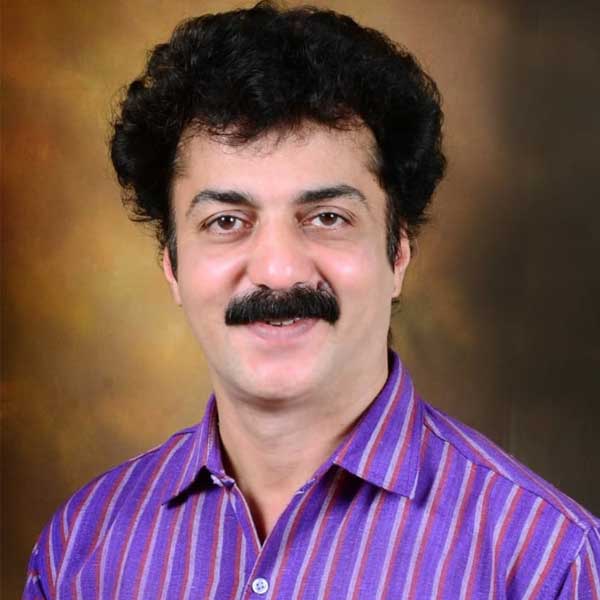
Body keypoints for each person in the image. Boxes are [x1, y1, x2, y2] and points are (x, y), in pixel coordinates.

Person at [23, 2, 599, 598]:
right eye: (226, 221)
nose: (278, 271)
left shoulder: (546, 565)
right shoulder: (80, 550)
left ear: (398, 253)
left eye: (327, 217)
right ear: (172, 266)